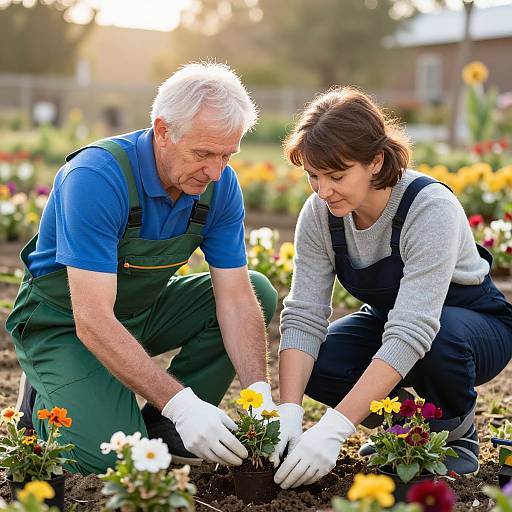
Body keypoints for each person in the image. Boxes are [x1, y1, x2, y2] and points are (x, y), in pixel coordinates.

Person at [5, 62, 279, 475]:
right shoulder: (97, 178)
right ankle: (43, 400)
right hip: (65, 324)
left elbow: (238, 301)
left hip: (138, 313)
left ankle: (165, 428)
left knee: (257, 289)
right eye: (203, 153)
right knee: (113, 463)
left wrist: (262, 400)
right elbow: (92, 319)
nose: (216, 171)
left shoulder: (218, 185)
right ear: (163, 130)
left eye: (227, 155)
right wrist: (184, 403)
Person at [271, 87, 512, 489]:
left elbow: (414, 328)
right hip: (389, 321)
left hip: (472, 327)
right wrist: (290, 416)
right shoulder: (320, 214)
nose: (322, 190)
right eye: (313, 175)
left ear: (375, 161)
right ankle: (407, 431)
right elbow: (303, 314)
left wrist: (335, 429)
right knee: (320, 362)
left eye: (337, 175)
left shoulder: (428, 208)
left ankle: (455, 432)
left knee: (439, 339)